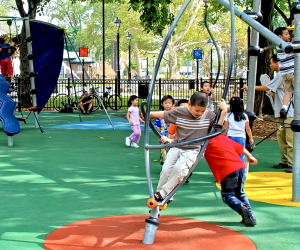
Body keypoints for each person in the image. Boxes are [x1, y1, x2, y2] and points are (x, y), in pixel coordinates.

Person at [147, 91, 227, 201]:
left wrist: (224, 112)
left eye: (202, 111)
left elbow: (217, 130)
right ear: (189, 104)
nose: (199, 113)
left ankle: (164, 193)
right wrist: (150, 114)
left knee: (180, 170)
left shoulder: (208, 115)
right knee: (166, 170)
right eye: (197, 110)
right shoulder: (180, 111)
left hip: (194, 148)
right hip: (177, 145)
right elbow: (166, 115)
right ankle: (160, 196)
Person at [242, 54, 294, 173]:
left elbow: (267, 87)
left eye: (272, 63)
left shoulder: (282, 74)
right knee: (281, 138)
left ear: (277, 63)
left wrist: (251, 87)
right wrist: (274, 95)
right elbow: (279, 90)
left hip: (290, 113)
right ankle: (284, 161)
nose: (270, 65)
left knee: (290, 139)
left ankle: (292, 163)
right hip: (280, 113)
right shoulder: (280, 75)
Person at [205, 134, 258, 227]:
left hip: (228, 171)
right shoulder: (222, 137)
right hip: (241, 168)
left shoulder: (204, 142)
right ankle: (251, 216)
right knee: (240, 193)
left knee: (228, 196)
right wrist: (250, 156)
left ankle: (241, 207)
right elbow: (240, 148)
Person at [224, 97, 253, 162]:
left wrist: (223, 137)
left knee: (231, 154)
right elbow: (248, 129)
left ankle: (232, 169)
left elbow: (225, 128)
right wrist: (251, 138)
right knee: (241, 154)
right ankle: (241, 169)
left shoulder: (228, 115)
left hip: (230, 137)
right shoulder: (244, 115)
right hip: (241, 137)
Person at [274, 27, 294, 119]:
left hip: (285, 74)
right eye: (286, 34)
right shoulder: (287, 45)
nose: (289, 35)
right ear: (280, 36)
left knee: (288, 91)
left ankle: (284, 107)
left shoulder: (278, 47)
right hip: (293, 72)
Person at [154, 95, 175, 163]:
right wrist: (159, 136)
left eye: (169, 103)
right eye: (166, 103)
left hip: (172, 136)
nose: (167, 105)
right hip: (163, 136)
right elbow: (158, 127)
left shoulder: (174, 114)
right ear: (162, 104)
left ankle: (169, 162)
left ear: (172, 104)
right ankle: (163, 159)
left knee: (171, 150)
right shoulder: (160, 115)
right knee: (163, 149)